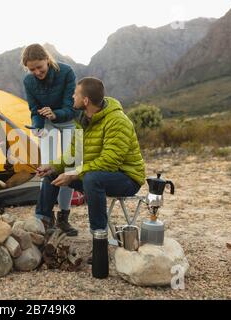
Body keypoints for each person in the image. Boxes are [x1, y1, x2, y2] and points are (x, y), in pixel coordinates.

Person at [35, 77, 146, 236]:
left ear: (85, 100)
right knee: (52, 174)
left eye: (75, 94)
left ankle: (99, 234)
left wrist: (74, 174)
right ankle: (41, 224)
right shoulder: (82, 119)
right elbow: (73, 154)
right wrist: (52, 166)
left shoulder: (117, 121)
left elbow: (109, 162)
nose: (72, 97)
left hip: (127, 177)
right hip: (94, 172)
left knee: (92, 179)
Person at [21, 43, 78, 236]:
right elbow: (33, 109)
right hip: (47, 124)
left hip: (68, 120)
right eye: (32, 69)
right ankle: (46, 216)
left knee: (69, 166)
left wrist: (55, 114)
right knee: (48, 168)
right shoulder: (28, 82)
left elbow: (71, 107)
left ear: (47, 60)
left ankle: (64, 217)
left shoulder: (67, 72)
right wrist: (37, 125)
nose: (37, 72)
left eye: (40, 67)